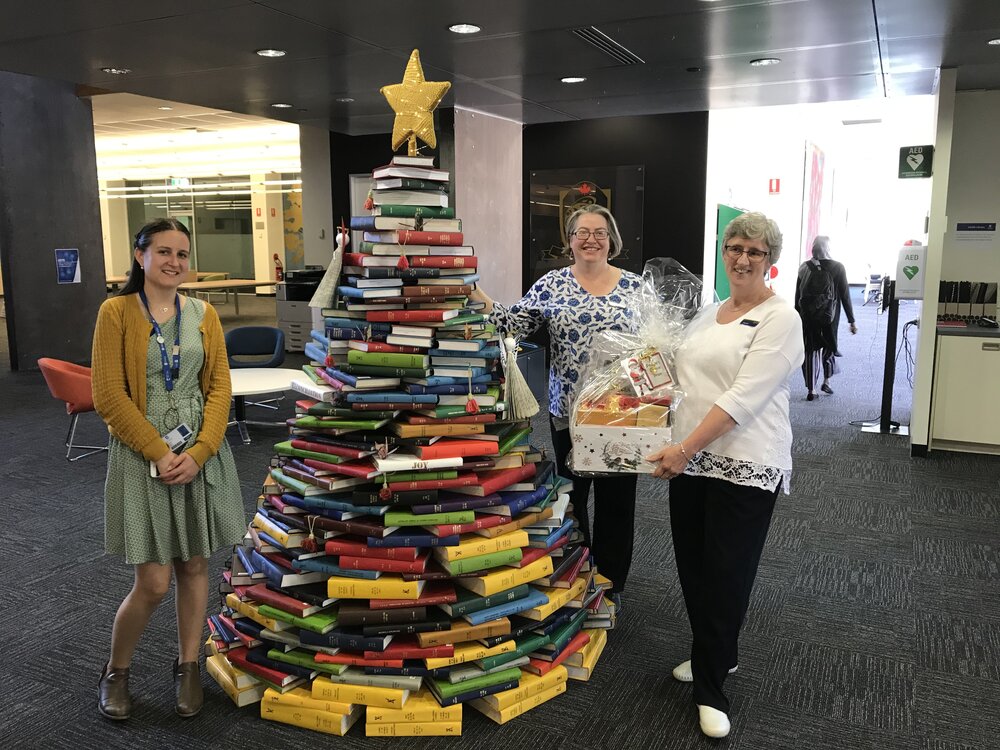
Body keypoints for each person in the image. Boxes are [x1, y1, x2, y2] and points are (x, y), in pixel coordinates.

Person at [646, 211, 804, 739]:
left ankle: (711, 688)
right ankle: (715, 652)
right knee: (693, 567)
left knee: (726, 575)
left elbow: (743, 397)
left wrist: (684, 448)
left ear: (770, 260)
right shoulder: (708, 312)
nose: (742, 258)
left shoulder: (781, 319)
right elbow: (681, 379)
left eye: (754, 251)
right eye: (735, 247)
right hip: (690, 458)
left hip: (744, 462)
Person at [91, 218, 246, 721]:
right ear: (140, 256)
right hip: (143, 455)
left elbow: (219, 387)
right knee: (154, 582)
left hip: (198, 452)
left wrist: (199, 452)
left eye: (181, 253)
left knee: (195, 566)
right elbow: (108, 395)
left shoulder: (203, 313)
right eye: (163, 251)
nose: (174, 262)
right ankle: (116, 671)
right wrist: (159, 451)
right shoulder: (116, 312)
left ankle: (188, 665)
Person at [469, 205, 642, 610]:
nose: (591, 240)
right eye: (582, 232)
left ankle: (610, 582)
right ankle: (577, 571)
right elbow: (512, 323)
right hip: (569, 412)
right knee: (571, 497)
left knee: (618, 503)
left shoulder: (636, 287)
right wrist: (473, 291)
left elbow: (654, 344)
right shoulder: (552, 284)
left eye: (599, 233)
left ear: (612, 241)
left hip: (621, 414)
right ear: (570, 241)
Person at [794, 235, 857, 400]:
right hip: (830, 316)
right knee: (829, 348)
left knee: (810, 351)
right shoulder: (838, 267)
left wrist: (797, 316)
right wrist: (851, 320)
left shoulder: (804, 267)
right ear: (828, 248)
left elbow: (798, 295)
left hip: (808, 316)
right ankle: (827, 381)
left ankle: (811, 390)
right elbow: (845, 296)